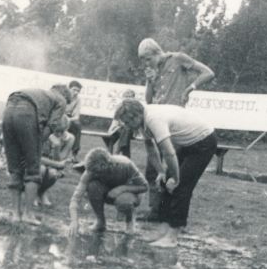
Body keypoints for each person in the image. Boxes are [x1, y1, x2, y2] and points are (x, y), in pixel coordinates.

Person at [113, 98, 217, 248]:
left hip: (204, 141)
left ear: (135, 116)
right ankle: (163, 230)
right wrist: (161, 172)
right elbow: (151, 149)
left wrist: (175, 177)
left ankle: (172, 236)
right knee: (165, 183)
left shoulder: (154, 119)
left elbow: (168, 152)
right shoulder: (143, 118)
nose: (127, 126)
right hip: (188, 143)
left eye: (128, 122)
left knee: (180, 187)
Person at [138, 38, 215, 221]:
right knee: (153, 168)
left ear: (157, 52)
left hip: (174, 124)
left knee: (175, 169)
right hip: (157, 121)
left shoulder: (179, 58)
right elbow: (149, 101)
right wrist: (149, 81)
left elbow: (208, 73)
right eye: (143, 60)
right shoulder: (152, 69)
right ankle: (155, 211)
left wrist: (190, 87)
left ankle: (171, 214)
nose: (146, 63)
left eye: (148, 59)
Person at [2, 84, 70, 224]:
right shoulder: (61, 99)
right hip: (27, 113)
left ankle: (15, 214)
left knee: (15, 167)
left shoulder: (41, 93)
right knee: (33, 168)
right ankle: (28, 214)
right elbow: (52, 125)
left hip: (9, 108)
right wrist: (35, 146)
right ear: (65, 95)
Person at [67, 148, 147, 237]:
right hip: (108, 191)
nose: (94, 175)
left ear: (106, 166)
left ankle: (129, 221)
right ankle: (100, 221)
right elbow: (75, 198)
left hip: (130, 193)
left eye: (97, 173)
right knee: (92, 186)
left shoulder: (125, 164)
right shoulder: (91, 171)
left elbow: (144, 186)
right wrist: (74, 221)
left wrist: (121, 189)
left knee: (124, 200)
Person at [35, 115, 74, 207]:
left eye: (62, 131)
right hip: (38, 164)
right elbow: (38, 158)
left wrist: (57, 146)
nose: (59, 134)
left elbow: (61, 159)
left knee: (53, 173)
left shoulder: (70, 138)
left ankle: (42, 192)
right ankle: (34, 193)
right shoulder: (43, 135)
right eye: (57, 131)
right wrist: (57, 164)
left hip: (54, 164)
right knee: (42, 169)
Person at [102, 89, 137, 158]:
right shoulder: (120, 106)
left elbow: (136, 122)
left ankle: (116, 153)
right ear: (123, 98)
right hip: (120, 129)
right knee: (116, 135)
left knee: (126, 129)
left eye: (130, 97)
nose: (128, 98)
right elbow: (116, 120)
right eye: (126, 96)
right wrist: (111, 130)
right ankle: (125, 155)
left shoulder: (135, 108)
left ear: (134, 98)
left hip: (131, 130)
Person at [65, 80, 83, 161]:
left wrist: (68, 120)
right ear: (69, 88)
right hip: (58, 117)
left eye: (78, 91)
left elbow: (76, 116)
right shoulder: (62, 96)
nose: (76, 92)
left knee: (77, 125)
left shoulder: (78, 99)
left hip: (69, 118)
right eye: (74, 89)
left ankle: (74, 154)